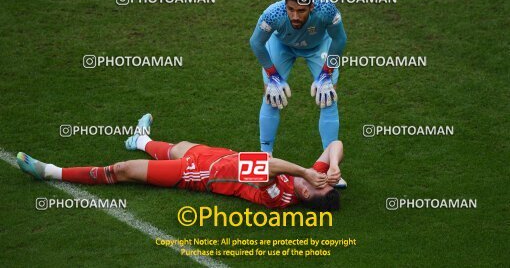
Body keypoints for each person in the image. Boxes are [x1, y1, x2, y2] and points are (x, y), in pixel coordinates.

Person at [17, 114, 345, 211]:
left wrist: (304, 171)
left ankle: (49, 172)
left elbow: (264, 165)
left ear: (305, 195)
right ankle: (141, 139)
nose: (315, 177)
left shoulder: (280, 197)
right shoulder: (311, 182)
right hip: (217, 156)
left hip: (196, 174)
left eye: (317, 183)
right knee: (176, 146)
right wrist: (332, 167)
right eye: (320, 178)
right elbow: (335, 143)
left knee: (123, 170)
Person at [249, 0, 347, 155]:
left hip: (319, 46)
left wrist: (327, 72)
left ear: (311, 7)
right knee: (272, 96)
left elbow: (340, 40)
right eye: (291, 9)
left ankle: (330, 164)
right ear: (285, 5)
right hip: (282, 45)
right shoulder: (273, 14)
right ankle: (265, 158)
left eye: (301, 11)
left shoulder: (326, 10)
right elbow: (256, 43)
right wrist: (272, 75)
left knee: (328, 97)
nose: (295, 16)